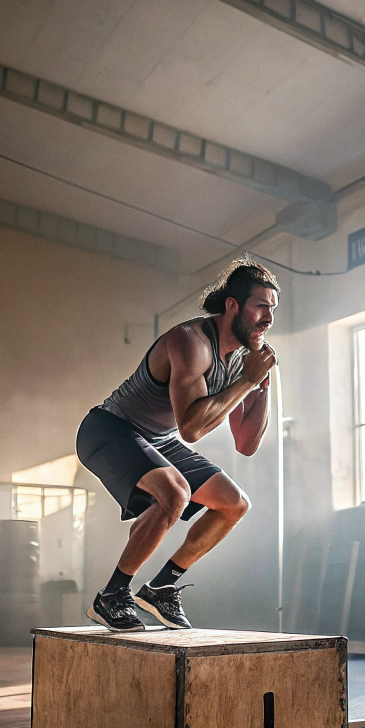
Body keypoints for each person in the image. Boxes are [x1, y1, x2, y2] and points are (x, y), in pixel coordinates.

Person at [76, 258, 279, 630]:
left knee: (234, 504)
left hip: (158, 438)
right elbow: (192, 429)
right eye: (261, 307)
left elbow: (246, 444)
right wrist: (247, 382)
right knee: (175, 492)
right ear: (232, 305)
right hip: (109, 428)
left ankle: (162, 587)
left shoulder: (244, 360)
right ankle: (112, 596)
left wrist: (263, 385)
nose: (268, 318)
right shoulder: (190, 341)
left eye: (273, 309)